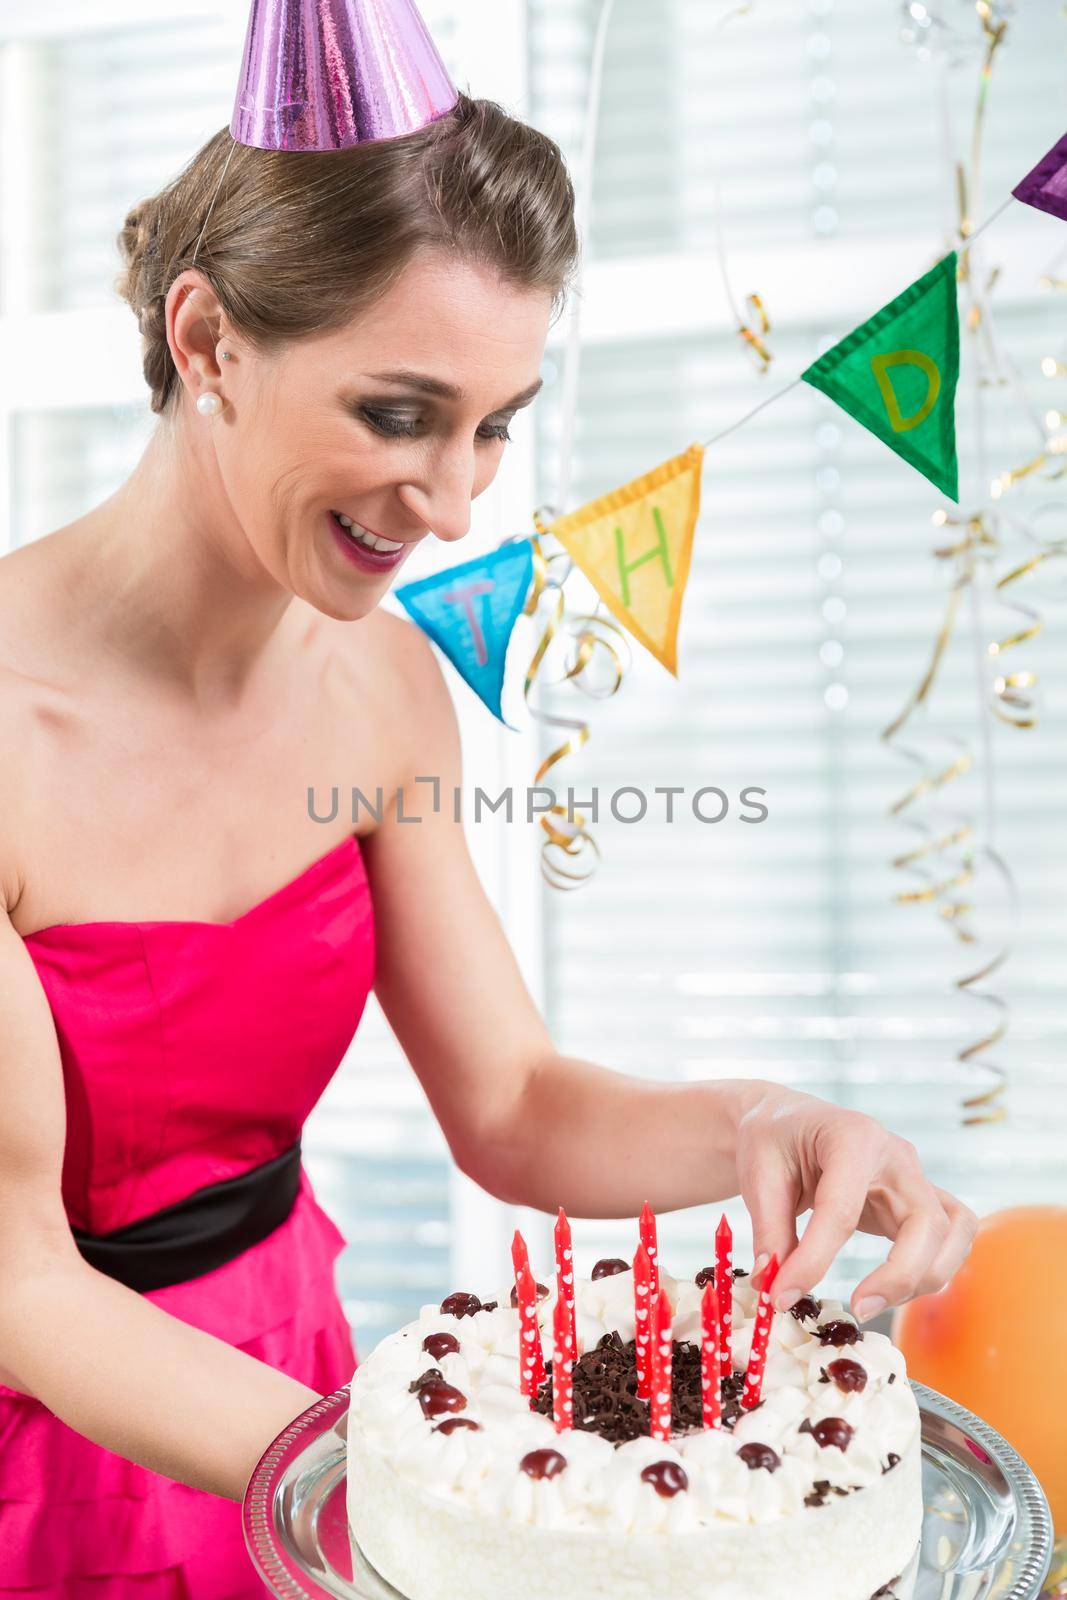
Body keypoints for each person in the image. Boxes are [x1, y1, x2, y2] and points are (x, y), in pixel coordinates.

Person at [0, 81, 977, 1600]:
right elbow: (21, 1287)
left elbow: (513, 1104)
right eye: (398, 415)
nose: (453, 506)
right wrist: (439, 1490)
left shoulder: (381, 686)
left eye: (493, 431)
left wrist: (762, 1123)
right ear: (208, 344)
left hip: (296, 1379)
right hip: (65, 1455)